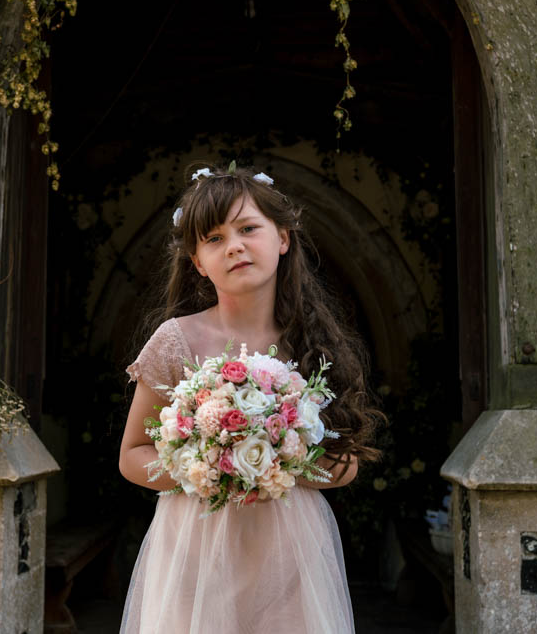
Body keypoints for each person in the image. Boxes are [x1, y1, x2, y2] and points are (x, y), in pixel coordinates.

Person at [117, 163, 383, 634]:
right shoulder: (174, 340)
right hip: (194, 554)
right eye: (214, 238)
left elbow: (347, 466)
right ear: (198, 262)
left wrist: (282, 461)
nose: (234, 245)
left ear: (282, 238)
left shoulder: (314, 344)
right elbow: (133, 456)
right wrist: (212, 466)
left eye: (247, 228)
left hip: (289, 554)